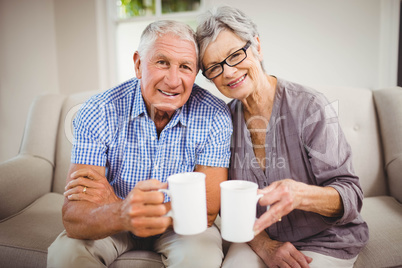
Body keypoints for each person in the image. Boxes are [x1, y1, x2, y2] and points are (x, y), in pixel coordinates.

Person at [47, 20, 232, 268]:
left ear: (195, 73)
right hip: (113, 222)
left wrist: (121, 205)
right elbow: (74, 217)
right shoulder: (98, 111)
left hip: (180, 227)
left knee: (200, 257)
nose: (173, 80)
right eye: (162, 62)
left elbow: (207, 209)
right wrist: (121, 213)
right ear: (138, 64)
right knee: (66, 253)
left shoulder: (214, 115)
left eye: (185, 67)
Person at [196, 6, 369, 268]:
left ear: (256, 46)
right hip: (258, 238)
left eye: (235, 55)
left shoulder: (311, 107)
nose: (228, 72)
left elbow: (351, 196)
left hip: (326, 238)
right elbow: (227, 202)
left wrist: (301, 195)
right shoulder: (221, 122)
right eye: (214, 68)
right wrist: (265, 246)